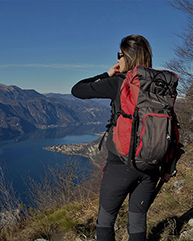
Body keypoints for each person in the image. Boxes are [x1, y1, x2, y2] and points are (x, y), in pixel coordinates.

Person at [71, 34, 169, 241]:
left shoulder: (118, 82)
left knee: (106, 222)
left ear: (129, 57)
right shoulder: (161, 87)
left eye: (120, 55)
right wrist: (166, 166)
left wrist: (107, 74)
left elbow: (77, 90)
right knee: (137, 222)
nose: (117, 60)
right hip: (151, 166)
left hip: (120, 167)